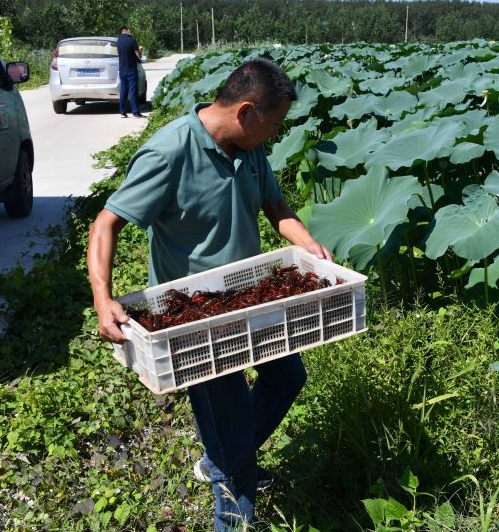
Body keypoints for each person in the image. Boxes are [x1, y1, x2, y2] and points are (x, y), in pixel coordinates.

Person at [87, 58, 332, 529]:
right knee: (231, 420)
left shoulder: (249, 148)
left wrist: (306, 243)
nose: (277, 134)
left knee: (287, 378)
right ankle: (232, 498)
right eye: (275, 123)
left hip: (252, 295)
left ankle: (223, 458)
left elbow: (274, 205)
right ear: (246, 112)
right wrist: (103, 296)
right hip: (193, 316)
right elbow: (106, 222)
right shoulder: (169, 153)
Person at [116, 26, 142, 118]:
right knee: (133, 91)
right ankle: (135, 112)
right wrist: (140, 50)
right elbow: (137, 55)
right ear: (127, 31)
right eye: (129, 30)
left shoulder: (118, 41)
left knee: (123, 91)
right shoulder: (132, 40)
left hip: (122, 69)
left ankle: (123, 112)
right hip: (131, 69)